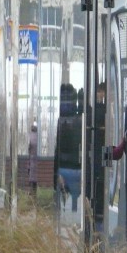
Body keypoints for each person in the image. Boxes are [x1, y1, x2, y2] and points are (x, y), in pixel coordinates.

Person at [54, 84, 82, 214]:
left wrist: (55, 173)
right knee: (75, 204)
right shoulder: (78, 119)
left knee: (62, 204)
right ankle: (75, 222)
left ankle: (64, 221)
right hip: (77, 168)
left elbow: (57, 148)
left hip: (62, 168)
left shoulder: (60, 120)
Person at [27, 121, 38, 196]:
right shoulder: (38, 136)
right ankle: (34, 193)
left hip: (31, 158)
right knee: (35, 177)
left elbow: (28, 147)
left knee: (31, 176)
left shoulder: (30, 136)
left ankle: (31, 192)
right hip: (36, 159)